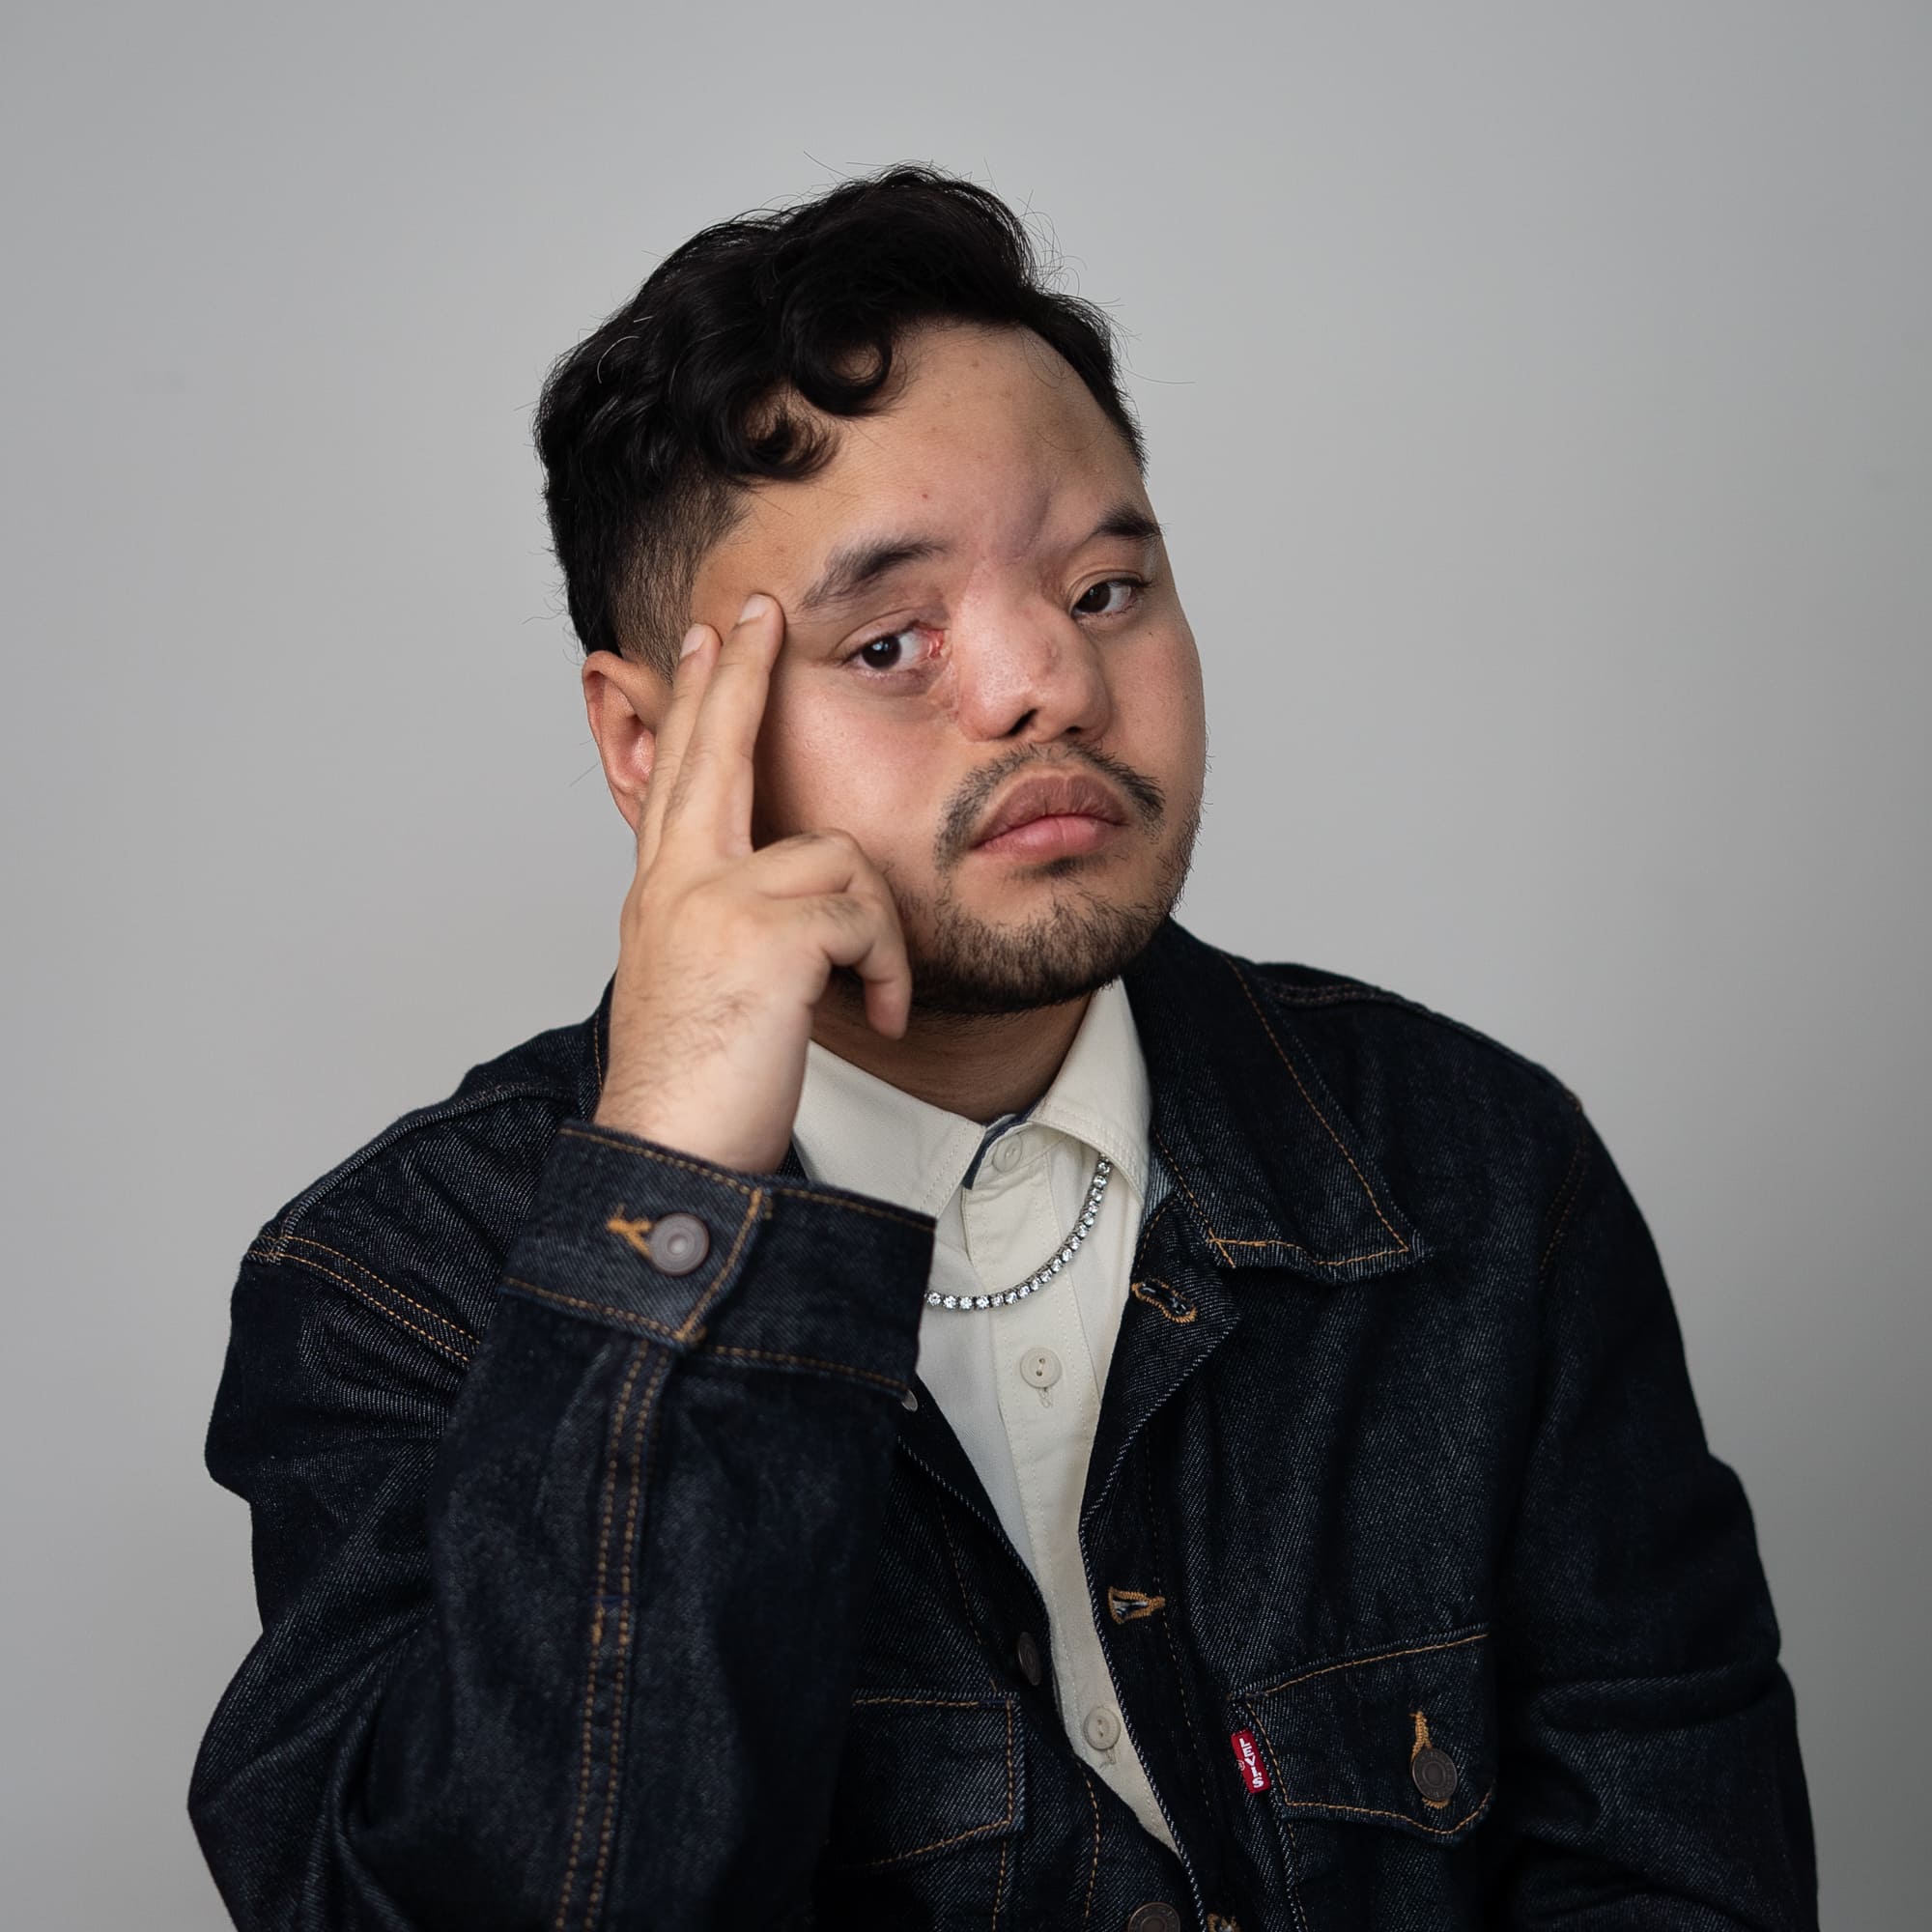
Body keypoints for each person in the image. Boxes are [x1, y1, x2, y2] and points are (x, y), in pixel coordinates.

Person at [187, 165, 1816, 1931]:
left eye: (1106, 590)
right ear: (647, 744)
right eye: (892, 640)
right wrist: (673, 1196)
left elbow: (1675, 1869)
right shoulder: (399, 1289)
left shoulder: (1475, 1170)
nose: (1050, 682)